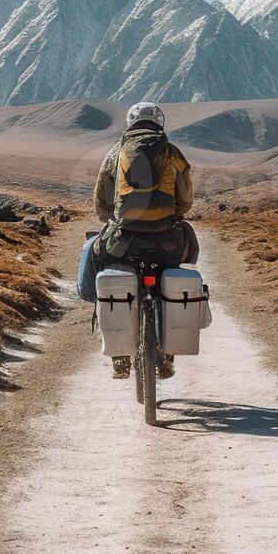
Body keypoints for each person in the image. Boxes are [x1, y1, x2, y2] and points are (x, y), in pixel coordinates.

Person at [89, 102, 197, 379]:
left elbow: (101, 197)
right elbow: (185, 199)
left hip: (125, 241)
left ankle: (120, 358)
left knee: (97, 258)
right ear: (160, 122)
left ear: (130, 123)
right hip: (167, 242)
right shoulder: (173, 154)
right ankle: (167, 355)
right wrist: (174, 217)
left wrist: (110, 219)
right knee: (172, 275)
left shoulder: (116, 153)